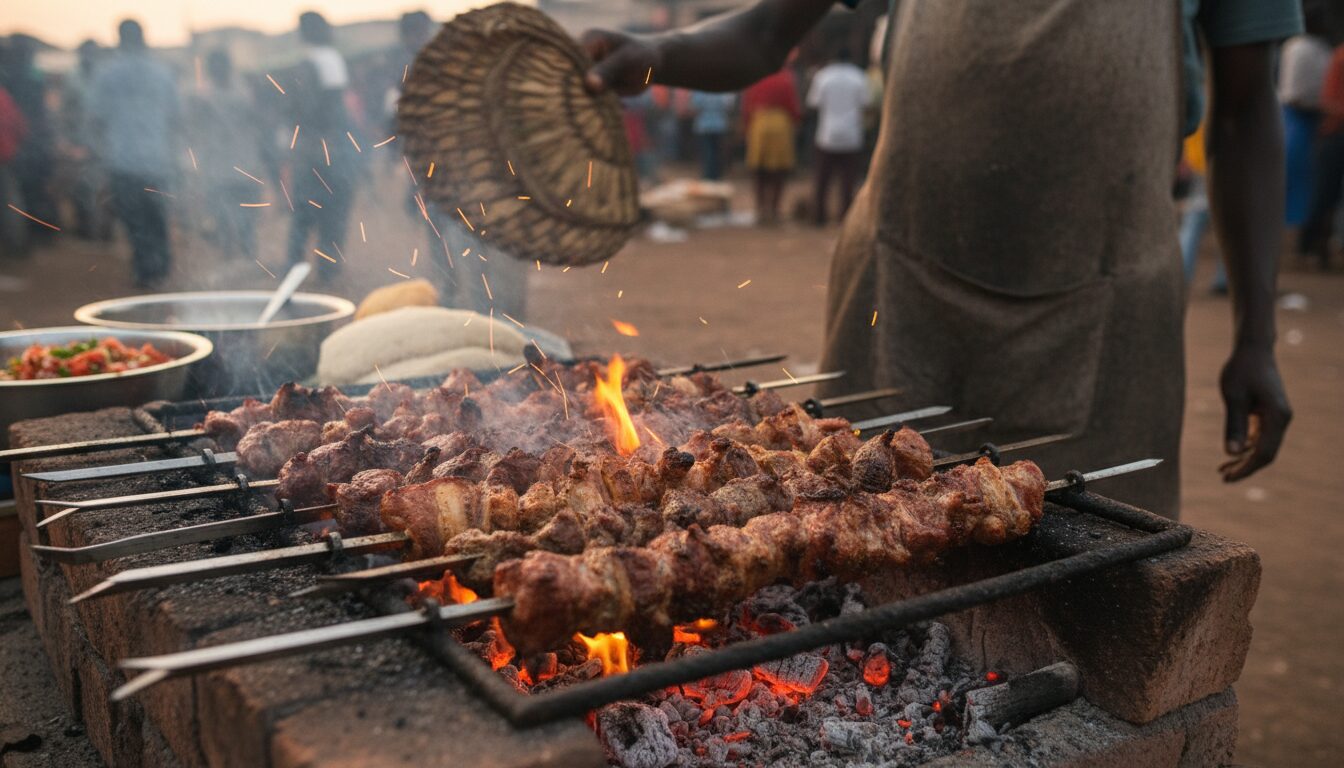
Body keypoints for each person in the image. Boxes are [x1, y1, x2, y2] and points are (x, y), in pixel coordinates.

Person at [578, 0, 1298, 517]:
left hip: (1105, 317)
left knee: (1089, 571)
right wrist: (662, 55)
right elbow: (768, 29)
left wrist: (1257, 337)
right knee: (856, 536)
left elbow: (1245, 112)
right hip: (899, 294)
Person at [89, 20, 179, 288]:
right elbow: (176, 117)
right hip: (158, 160)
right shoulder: (162, 73)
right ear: (144, 38)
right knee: (157, 218)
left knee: (135, 221)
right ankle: (161, 270)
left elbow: (96, 118)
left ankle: (145, 272)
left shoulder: (107, 74)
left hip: (123, 161)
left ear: (119, 39)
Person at [285, 12, 361, 278]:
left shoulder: (313, 63)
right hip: (332, 150)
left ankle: (293, 270)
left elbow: (309, 110)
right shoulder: (330, 60)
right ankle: (327, 271)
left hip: (316, 150)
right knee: (332, 212)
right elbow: (335, 109)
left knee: (304, 214)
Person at [188, 49, 268, 260]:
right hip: (219, 168)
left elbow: (260, 121)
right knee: (223, 217)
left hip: (243, 165)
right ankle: (231, 256)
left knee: (246, 217)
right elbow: (193, 127)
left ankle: (247, 256)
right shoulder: (205, 97)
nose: (219, 71)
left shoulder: (242, 93)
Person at [1279, 7, 1332, 231]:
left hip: (1315, 118)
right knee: (1291, 171)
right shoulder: (1297, 47)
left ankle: (1300, 225)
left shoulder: (1322, 48)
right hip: (1295, 117)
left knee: (1309, 176)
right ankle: (1285, 224)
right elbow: (1294, 93)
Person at [2, 36, 59, 245]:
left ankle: (31, 234)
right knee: (35, 188)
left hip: (22, 143)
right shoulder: (33, 76)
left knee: (22, 191)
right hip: (30, 140)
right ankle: (40, 231)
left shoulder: (11, 78)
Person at [806, 47, 870, 225]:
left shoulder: (823, 76)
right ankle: (846, 217)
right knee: (848, 181)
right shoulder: (859, 76)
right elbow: (867, 104)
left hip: (827, 135)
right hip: (852, 136)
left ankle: (819, 217)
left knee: (822, 180)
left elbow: (813, 103)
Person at [59, 40, 112, 242]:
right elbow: (65, 111)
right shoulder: (72, 78)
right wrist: (66, 139)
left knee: (105, 189)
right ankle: (86, 228)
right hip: (80, 142)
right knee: (82, 187)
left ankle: (104, 231)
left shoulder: (105, 77)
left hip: (104, 143)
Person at [1299, 42, 1344, 269]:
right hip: (1335, 135)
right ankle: (1310, 247)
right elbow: (1328, 101)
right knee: (1324, 196)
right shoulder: (1340, 57)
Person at [740, 59, 800, 224]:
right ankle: (774, 210)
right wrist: (796, 121)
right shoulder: (786, 78)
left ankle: (760, 209)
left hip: (759, 122)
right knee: (778, 171)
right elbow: (793, 107)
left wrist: (746, 127)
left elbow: (746, 106)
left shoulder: (756, 78)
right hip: (781, 124)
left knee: (759, 169)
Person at [689, 90, 734, 181]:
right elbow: (728, 106)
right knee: (716, 153)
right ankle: (715, 176)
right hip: (719, 125)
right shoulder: (722, 89)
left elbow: (695, 107)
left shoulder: (700, 91)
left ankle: (709, 176)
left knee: (708, 153)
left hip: (704, 126)